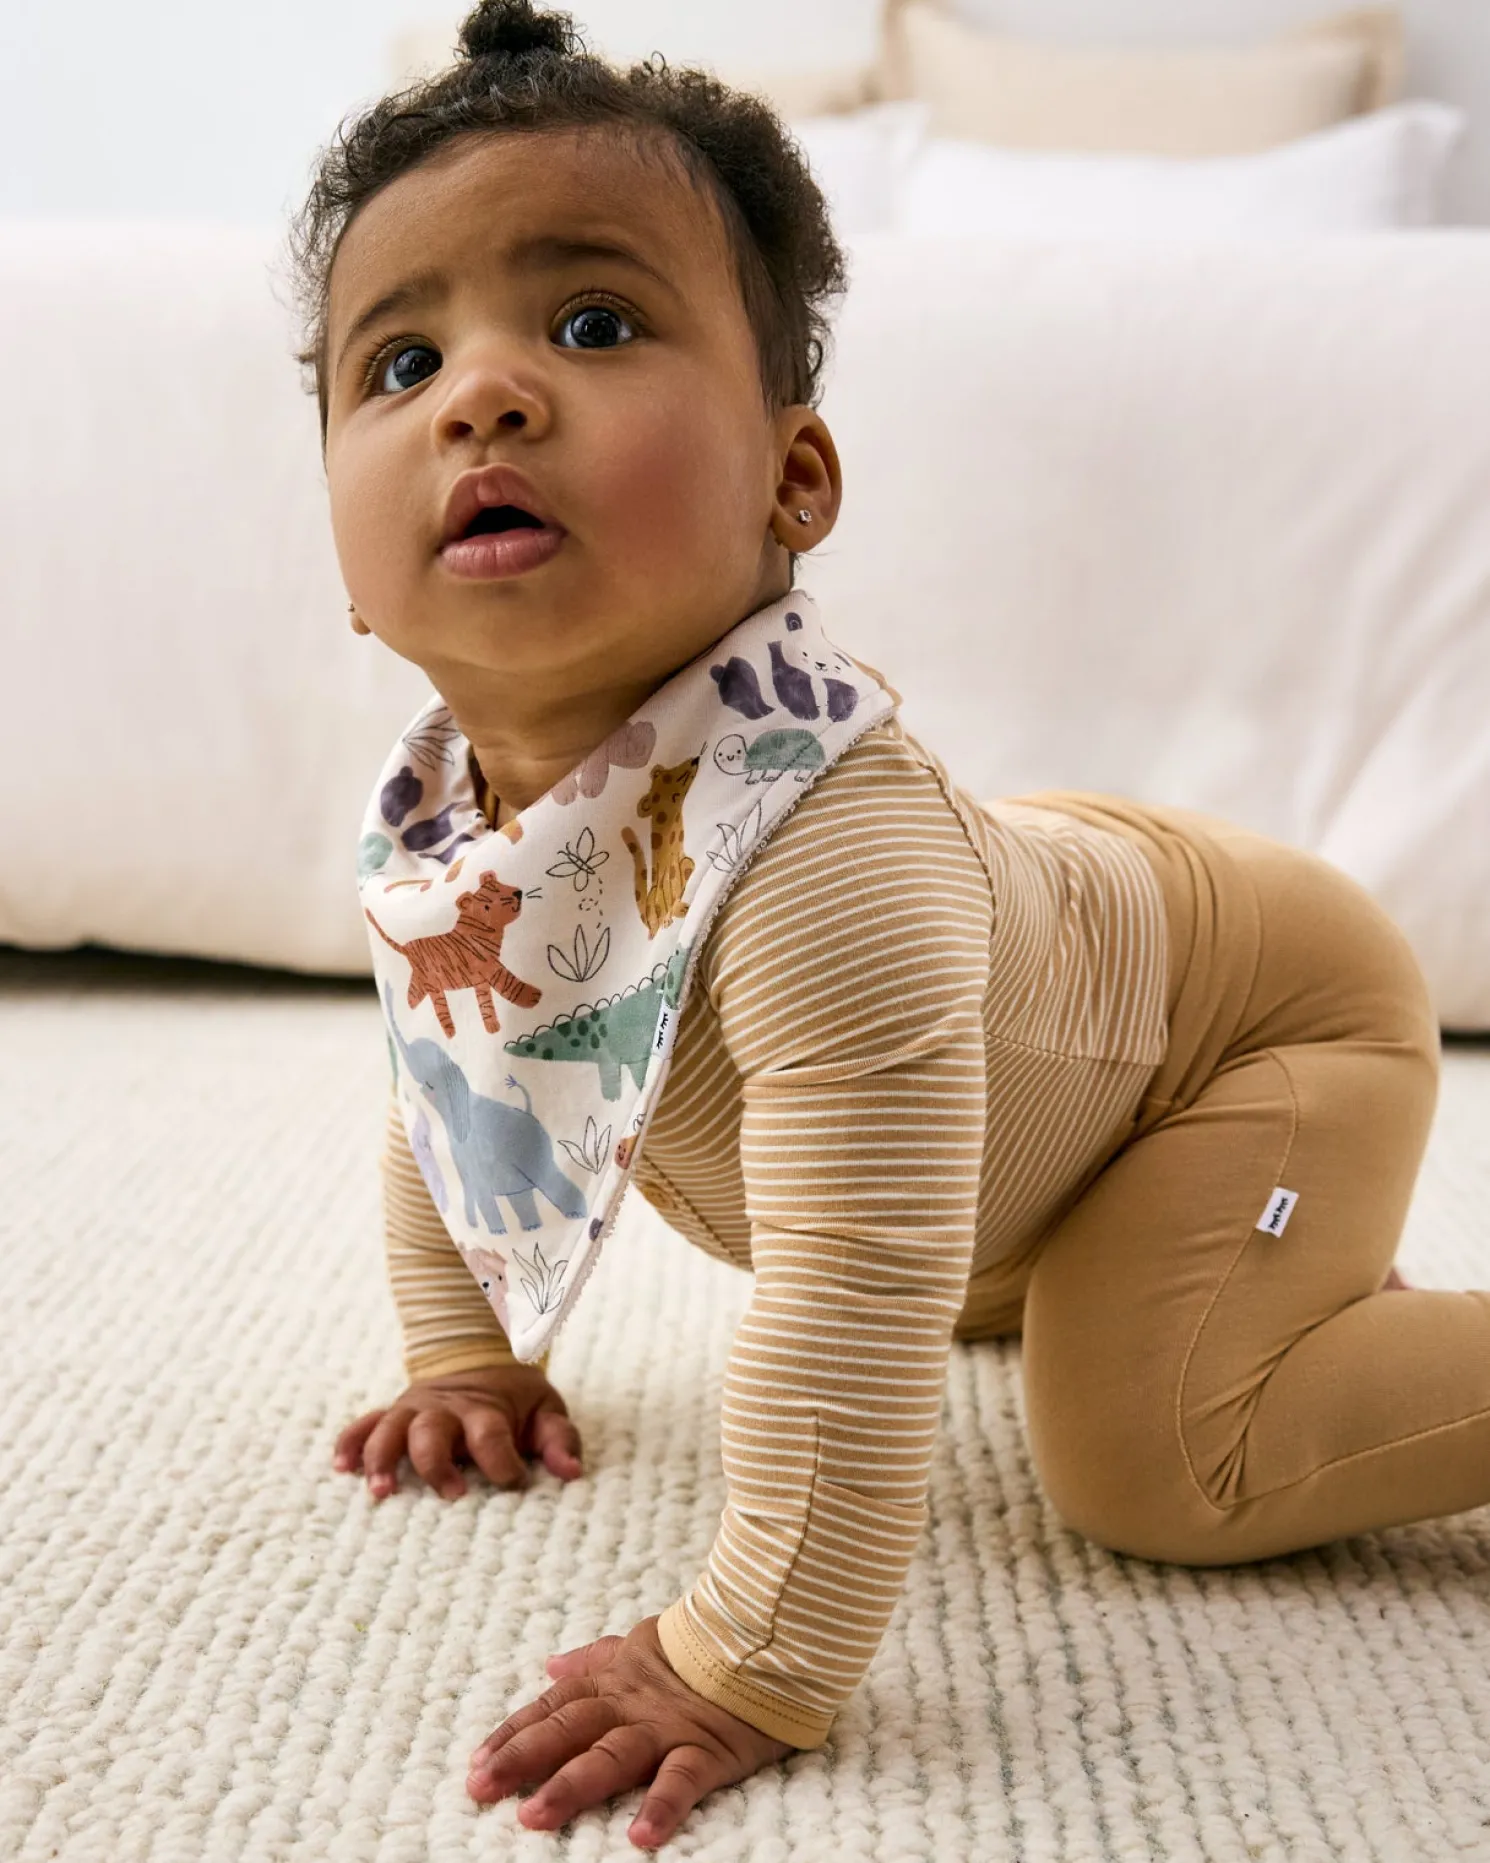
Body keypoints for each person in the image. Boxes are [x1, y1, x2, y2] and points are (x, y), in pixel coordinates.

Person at [291, 1, 1462, 1847]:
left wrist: (750, 1645)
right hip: (1044, 973)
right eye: (401, 359)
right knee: (1002, 1249)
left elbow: (852, 1296)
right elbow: (452, 1080)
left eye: (592, 324)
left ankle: (1280, 1279)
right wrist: (470, 1355)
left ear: (792, 478)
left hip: (1252, 1025)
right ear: (349, 566)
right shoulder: (454, 829)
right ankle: (1233, 1255)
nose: (483, 391)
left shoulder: (822, 857)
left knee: (1157, 1453)